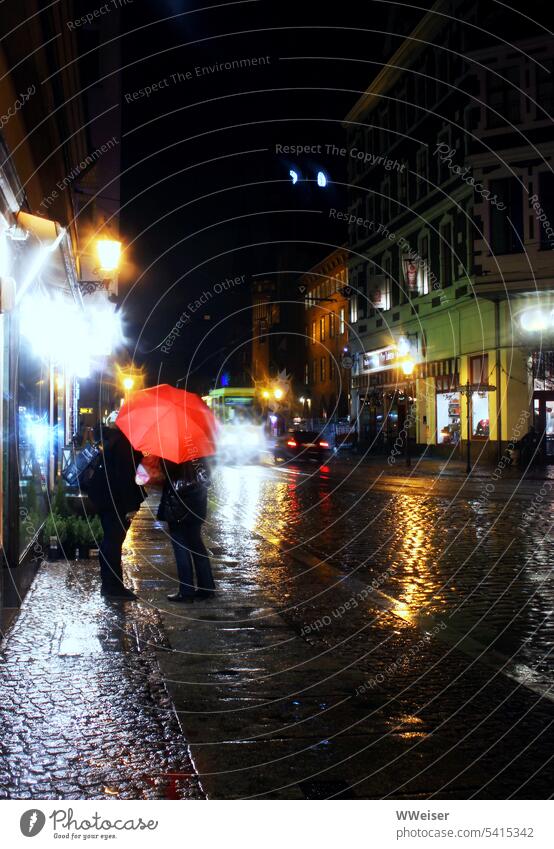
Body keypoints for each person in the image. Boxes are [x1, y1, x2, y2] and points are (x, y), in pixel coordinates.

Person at [87, 412, 145, 600]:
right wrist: (130, 506)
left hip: (106, 501)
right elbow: (124, 479)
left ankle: (110, 585)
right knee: (113, 543)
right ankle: (113, 588)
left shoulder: (114, 440)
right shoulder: (123, 445)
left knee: (110, 543)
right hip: (115, 503)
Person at [157, 458, 215, 603]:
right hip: (196, 506)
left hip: (177, 506)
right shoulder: (200, 452)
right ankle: (206, 588)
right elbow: (207, 477)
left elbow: (164, 475)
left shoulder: (170, 453)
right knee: (197, 546)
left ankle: (186, 591)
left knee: (181, 548)